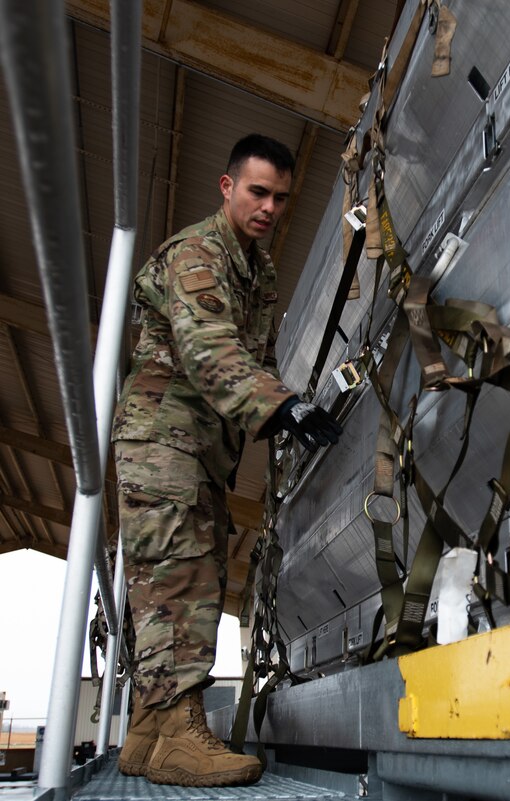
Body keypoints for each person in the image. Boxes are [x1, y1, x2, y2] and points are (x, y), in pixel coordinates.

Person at [111, 134, 342, 787]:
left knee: (190, 570)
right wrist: (283, 407)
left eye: (279, 197)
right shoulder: (198, 255)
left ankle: (149, 733)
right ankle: (183, 735)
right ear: (227, 186)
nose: (268, 206)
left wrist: (282, 405)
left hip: (199, 445)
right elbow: (209, 350)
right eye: (257, 191)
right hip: (165, 436)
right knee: (180, 576)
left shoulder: (257, 273)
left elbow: (255, 357)